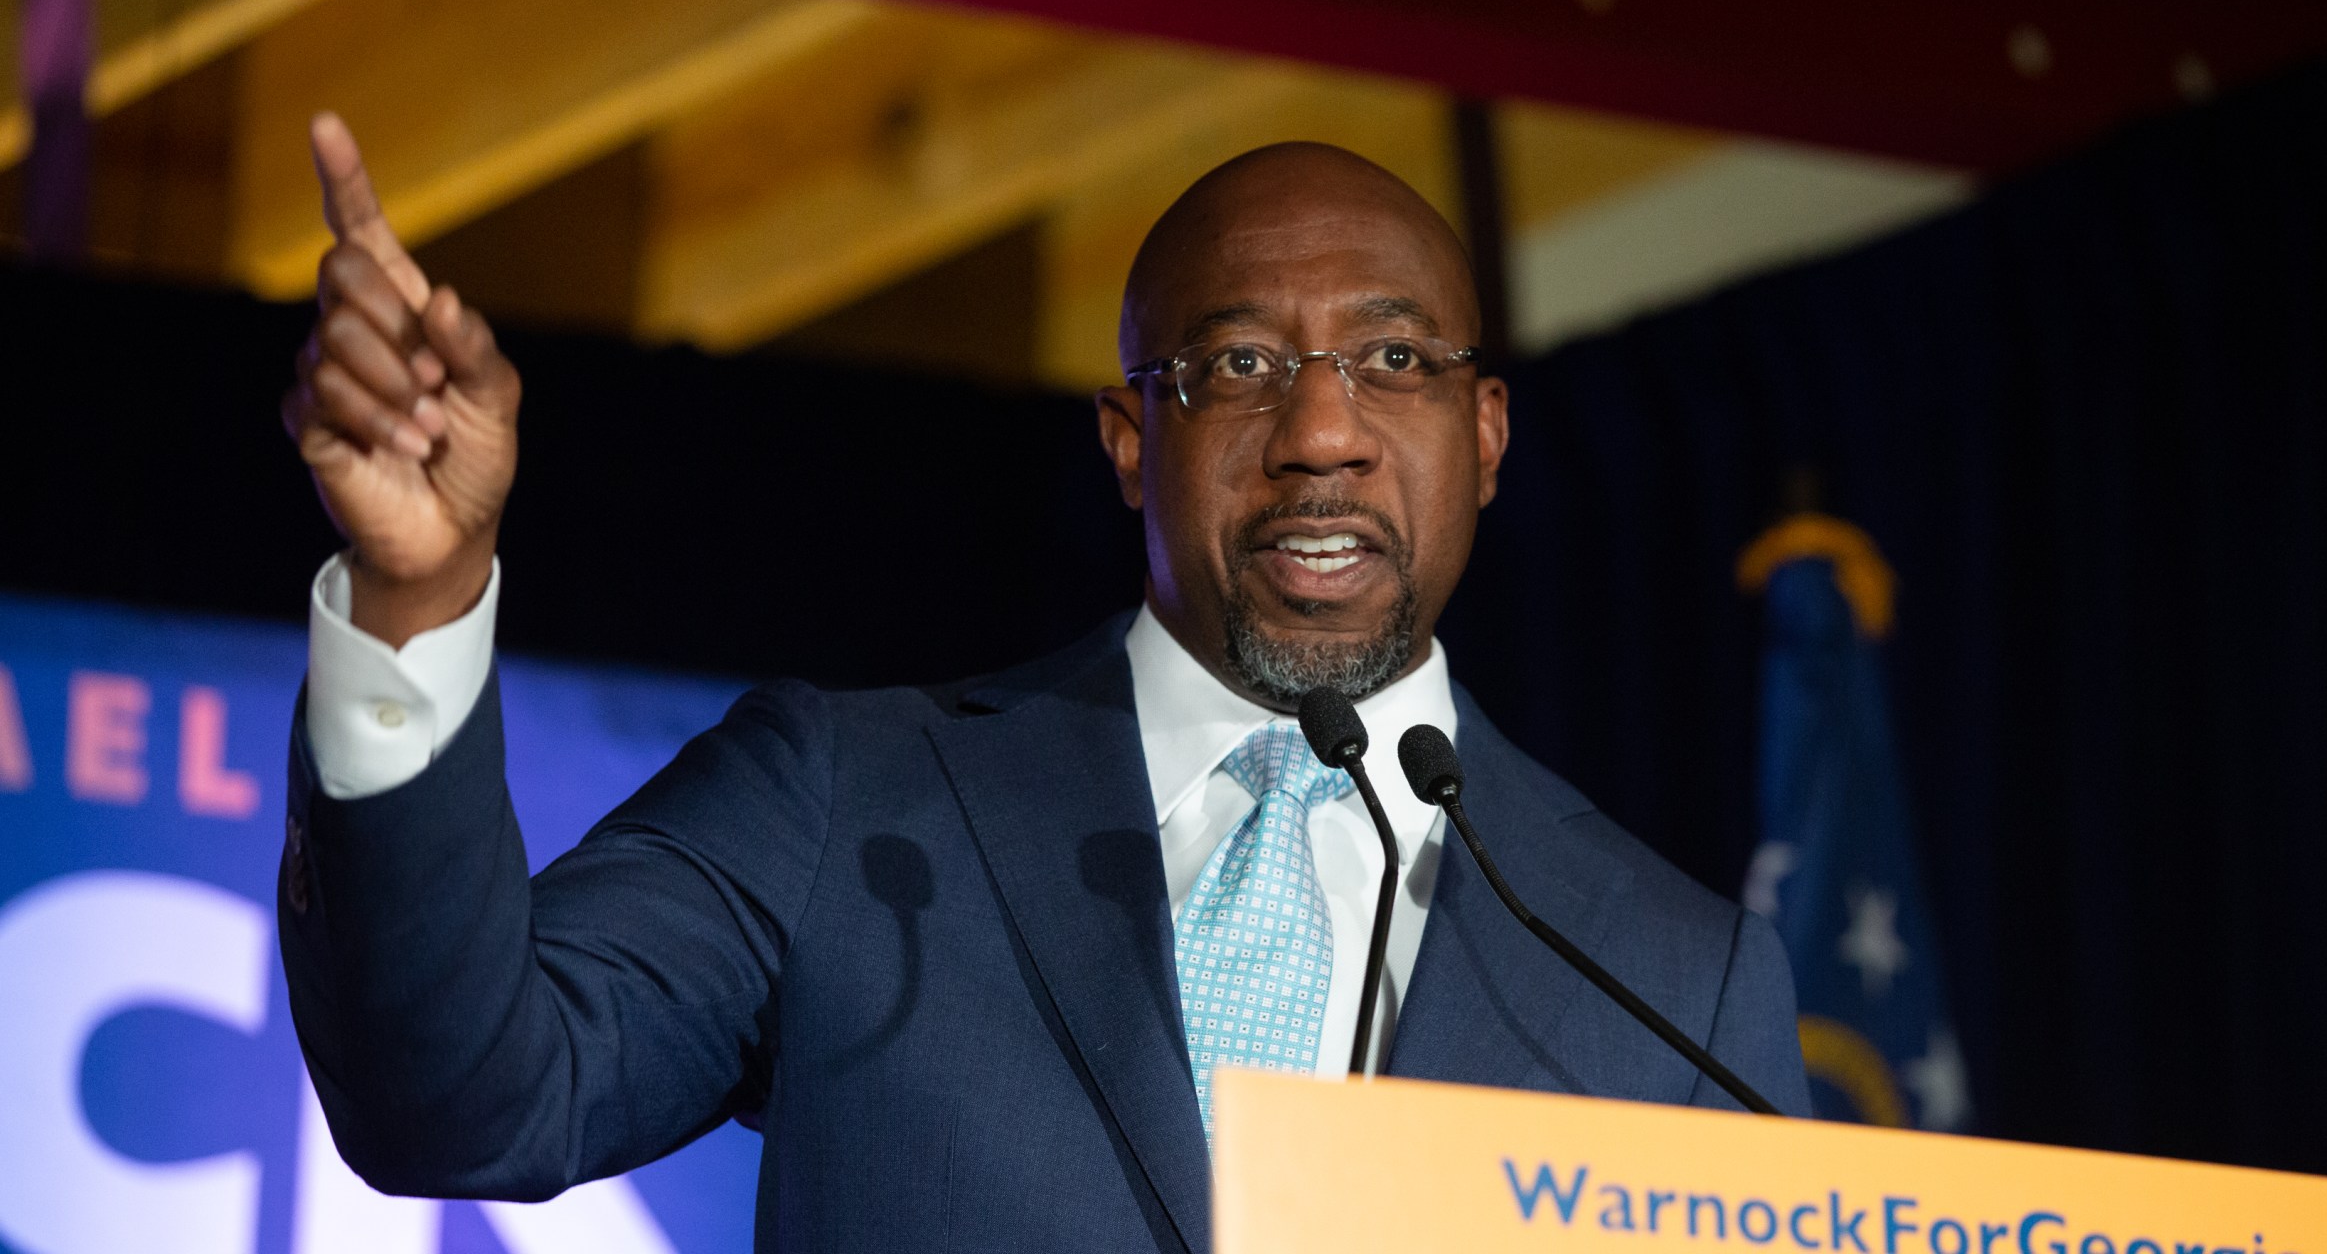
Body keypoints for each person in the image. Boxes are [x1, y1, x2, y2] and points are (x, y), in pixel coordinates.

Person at [276, 112, 1810, 1253]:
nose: (1325, 430)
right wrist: (418, 590)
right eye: (1242, 366)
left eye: (1395, 362)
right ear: (1132, 441)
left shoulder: (1676, 985)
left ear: (1485, 435)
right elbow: (459, 1093)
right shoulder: (850, 804)